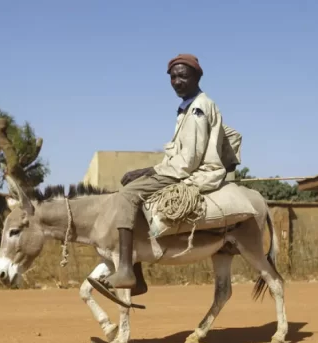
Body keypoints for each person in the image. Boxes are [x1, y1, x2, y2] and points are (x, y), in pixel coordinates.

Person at [93, 53, 230, 296]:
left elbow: (188, 161)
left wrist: (148, 170)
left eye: (183, 76)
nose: (177, 82)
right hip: (182, 169)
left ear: (197, 76)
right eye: (173, 77)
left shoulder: (198, 108)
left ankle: (126, 269)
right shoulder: (185, 108)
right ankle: (137, 277)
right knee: (135, 191)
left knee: (126, 195)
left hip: (195, 172)